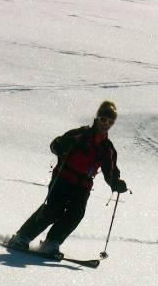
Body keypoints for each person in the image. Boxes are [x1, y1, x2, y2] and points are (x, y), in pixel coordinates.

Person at [7, 100, 128, 256]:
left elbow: (110, 171)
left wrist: (116, 183)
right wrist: (62, 145)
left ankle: (51, 243)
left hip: (83, 186)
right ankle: (22, 237)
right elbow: (54, 146)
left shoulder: (107, 148)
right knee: (53, 210)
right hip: (63, 179)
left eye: (111, 122)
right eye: (104, 119)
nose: (106, 124)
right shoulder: (80, 135)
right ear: (97, 118)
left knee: (76, 214)